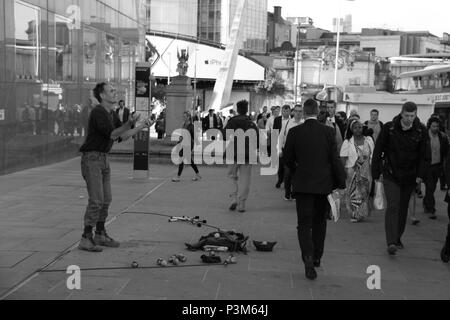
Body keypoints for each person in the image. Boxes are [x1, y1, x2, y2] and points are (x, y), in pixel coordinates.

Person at [78, 82, 154, 252]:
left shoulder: (111, 113)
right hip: (92, 159)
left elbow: (122, 136)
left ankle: (100, 234)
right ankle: (86, 237)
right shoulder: (99, 112)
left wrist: (141, 126)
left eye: (114, 90)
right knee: (96, 200)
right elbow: (113, 133)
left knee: (106, 200)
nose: (115, 93)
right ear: (102, 96)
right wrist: (128, 123)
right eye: (111, 91)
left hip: (103, 159)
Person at [284, 99, 346, 280]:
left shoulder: (294, 132)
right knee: (320, 221)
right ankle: (317, 255)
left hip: (303, 185)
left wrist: (297, 171)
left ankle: (308, 258)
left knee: (303, 224)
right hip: (322, 185)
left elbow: (287, 158)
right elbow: (334, 159)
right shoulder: (328, 131)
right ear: (318, 112)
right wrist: (341, 181)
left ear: (303, 112)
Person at [372, 102, 430, 256]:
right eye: (406, 115)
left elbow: (425, 156)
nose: (409, 119)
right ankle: (391, 241)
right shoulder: (390, 128)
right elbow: (378, 150)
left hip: (410, 176)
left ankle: (397, 237)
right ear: (401, 113)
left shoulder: (421, 131)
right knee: (393, 206)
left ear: (416, 115)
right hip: (391, 174)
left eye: (412, 116)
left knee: (403, 208)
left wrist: (420, 175)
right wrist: (375, 172)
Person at [224, 100, 259, 213]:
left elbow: (225, 135)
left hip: (233, 153)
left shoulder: (232, 121)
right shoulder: (251, 123)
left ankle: (233, 198)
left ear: (237, 110)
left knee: (231, 176)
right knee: (245, 179)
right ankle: (242, 203)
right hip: (248, 155)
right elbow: (257, 140)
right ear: (247, 110)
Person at [340, 119, 374, 222]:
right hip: (352, 171)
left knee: (364, 193)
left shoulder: (368, 140)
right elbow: (343, 158)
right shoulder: (347, 142)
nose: (358, 129)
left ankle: (361, 213)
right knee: (353, 193)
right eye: (355, 127)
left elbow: (373, 156)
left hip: (366, 171)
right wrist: (343, 172)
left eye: (359, 127)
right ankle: (354, 214)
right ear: (351, 130)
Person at [423, 116, 448, 219]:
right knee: (430, 186)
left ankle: (426, 203)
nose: (435, 128)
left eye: (437, 126)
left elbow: (446, 151)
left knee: (431, 188)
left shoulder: (442, 137)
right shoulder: (424, 136)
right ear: (430, 126)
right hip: (427, 166)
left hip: (437, 166)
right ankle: (431, 209)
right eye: (433, 126)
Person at [279, 104, 304, 201]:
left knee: (297, 174)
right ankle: (287, 192)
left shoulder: (304, 123)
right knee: (288, 173)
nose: (298, 113)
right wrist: (280, 150)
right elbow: (281, 136)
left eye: (300, 111)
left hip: (300, 153)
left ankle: (294, 194)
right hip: (288, 151)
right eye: (296, 111)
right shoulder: (287, 123)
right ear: (293, 112)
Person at [172, 111, 201, 182]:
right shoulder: (184, 124)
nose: (183, 118)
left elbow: (194, 136)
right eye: (183, 116)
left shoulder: (191, 126)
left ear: (188, 117)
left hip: (188, 144)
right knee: (189, 160)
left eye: (185, 116)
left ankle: (178, 176)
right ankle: (198, 174)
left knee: (181, 158)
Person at [275, 105, 291, 189]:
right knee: (281, 165)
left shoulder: (292, 120)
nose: (286, 113)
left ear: (290, 112)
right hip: (280, 145)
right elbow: (275, 132)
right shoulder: (277, 120)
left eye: (287, 111)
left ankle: (287, 181)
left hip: (290, 146)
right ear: (282, 111)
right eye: (284, 111)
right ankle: (280, 180)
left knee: (288, 165)